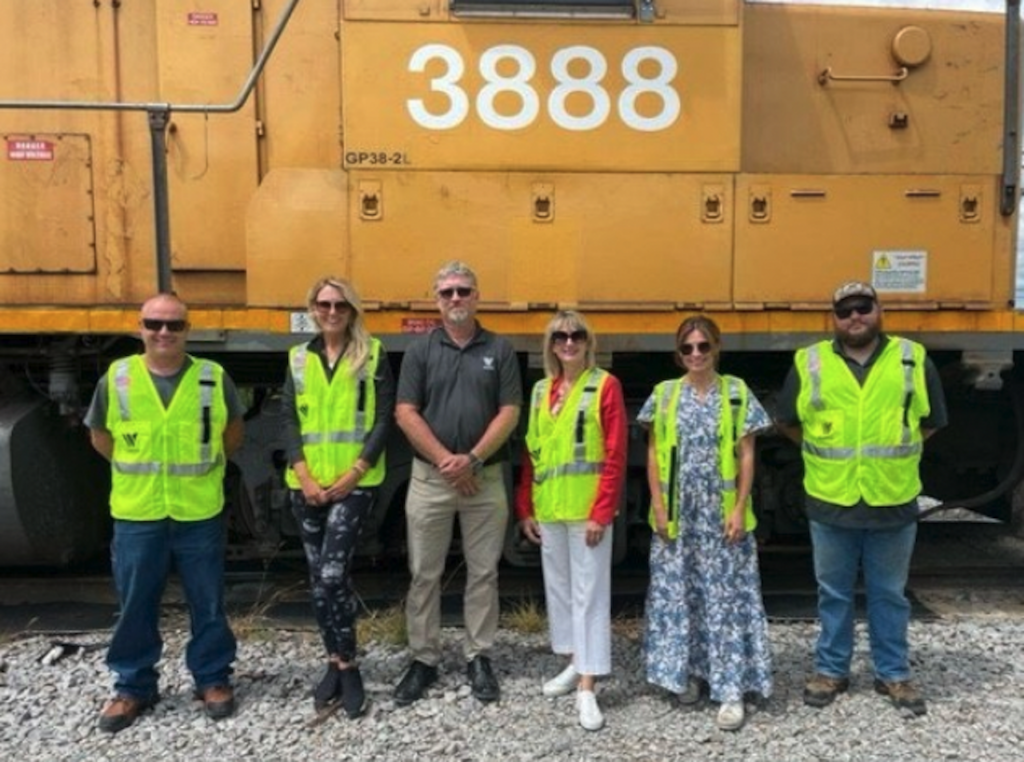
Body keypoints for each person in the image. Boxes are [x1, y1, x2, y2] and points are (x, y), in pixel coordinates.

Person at [776, 281, 947, 717]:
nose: (854, 317)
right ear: (833, 318)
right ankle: (831, 670)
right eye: (845, 310)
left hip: (891, 498)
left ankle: (893, 673)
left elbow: (931, 422)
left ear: (879, 310)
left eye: (863, 307)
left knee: (889, 593)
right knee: (833, 593)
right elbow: (790, 421)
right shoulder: (810, 361)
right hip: (831, 498)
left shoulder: (912, 358)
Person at [85, 293, 245, 733]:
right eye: (154, 324)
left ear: (187, 330)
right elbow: (100, 436)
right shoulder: (117, 378)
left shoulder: (212, 378)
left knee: (207, 601)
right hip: (139, 513)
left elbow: (232, 433)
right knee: (135, 603)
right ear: (140, 328)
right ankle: (133, 686)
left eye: (174, 325)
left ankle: (212, 679)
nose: (163, 333)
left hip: (197, 511)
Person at [393, 261, 522, 705]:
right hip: (431, 478)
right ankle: (423, 659)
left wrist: (472, 459)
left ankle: (479, 655)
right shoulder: (420, 351)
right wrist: (448, 461)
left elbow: (509, 412)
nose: (455, 299)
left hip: (483, 479)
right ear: (436, 299)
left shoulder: (500, 350)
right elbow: (405, 412)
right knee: (424, 574)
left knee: (483, 572)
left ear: (476, 296)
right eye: (447, 292)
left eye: (463, 291)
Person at [639, 315, 773, 732]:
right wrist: (658, 506)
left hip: (721, 516)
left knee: (726, 600)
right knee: (683, 597)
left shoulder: (736, 393)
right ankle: (691, 675)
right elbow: (654, 453)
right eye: (688, 348)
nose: (696, 354)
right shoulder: (663, 395)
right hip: (679, 518)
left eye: (703, 346)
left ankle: (730, 687)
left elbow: (747, 455)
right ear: (678, 354)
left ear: (716, 348)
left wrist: (738, 509)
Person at [282, 276, 394, 718]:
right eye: (324, 304)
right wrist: (303, 474)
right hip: (307, 486)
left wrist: (356, 472)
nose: (332, 312)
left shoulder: (374, 355)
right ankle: (333, 660)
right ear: (312, 308)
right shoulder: (296, 359)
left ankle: (348, 663)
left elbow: (383, 420)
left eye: (340, 305)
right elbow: (288, 420)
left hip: (354, 484)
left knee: (333, 575)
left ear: (352, 310)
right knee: (317, 579)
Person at [515, 311, 627, 732]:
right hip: (551, 509)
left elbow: (614, 453)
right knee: (560, 590)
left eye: (576, 335)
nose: (568, 342)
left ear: (587, 342)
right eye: (560, 336)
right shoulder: (542, 390)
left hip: (586, 511)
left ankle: (588, 685)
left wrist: (602, 510)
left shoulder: (605, 386)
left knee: (590, 595)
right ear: (551, 345)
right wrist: (525, 507)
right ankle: (575, 661)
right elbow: (532, 454)